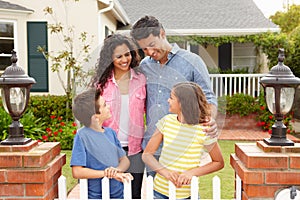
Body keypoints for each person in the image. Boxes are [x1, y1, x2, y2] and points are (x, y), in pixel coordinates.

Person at [130, 15, 218, 175]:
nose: (150, 52)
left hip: (183, 147)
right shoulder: (145, 66)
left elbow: (208, 98)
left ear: (162, 34)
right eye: (144, 49)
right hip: (153, 149)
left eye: (152, 45)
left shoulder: (192, 61)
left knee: (183, 193)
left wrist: (209, 120)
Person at [142, 82, 224, 199]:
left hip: (189, 195)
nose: (168, 101)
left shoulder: (204, 129)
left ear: (183, 103)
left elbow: (218, 162)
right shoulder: (166, 122)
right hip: (160, 193)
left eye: (171, 98)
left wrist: (191, 173)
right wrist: (166, 172)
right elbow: (147, 155)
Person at [89, 34, 146, 199]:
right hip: (108, 149)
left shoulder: (141, 79)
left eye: (127, 54)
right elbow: (93, 116)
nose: (124, 59)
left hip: (135, 151)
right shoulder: (101, 84)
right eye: (118, 56)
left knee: (134, 194)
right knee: (110, 193)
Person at [70, 88, 133, 199]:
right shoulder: (82, 136)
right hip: (95, 197)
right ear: (95, 116)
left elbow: (124, 160)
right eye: (104, 105)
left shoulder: (111, 133)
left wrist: (116, 170)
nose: (108, 107)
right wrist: (105, 173)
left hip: (118, 195)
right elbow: (77, 171)